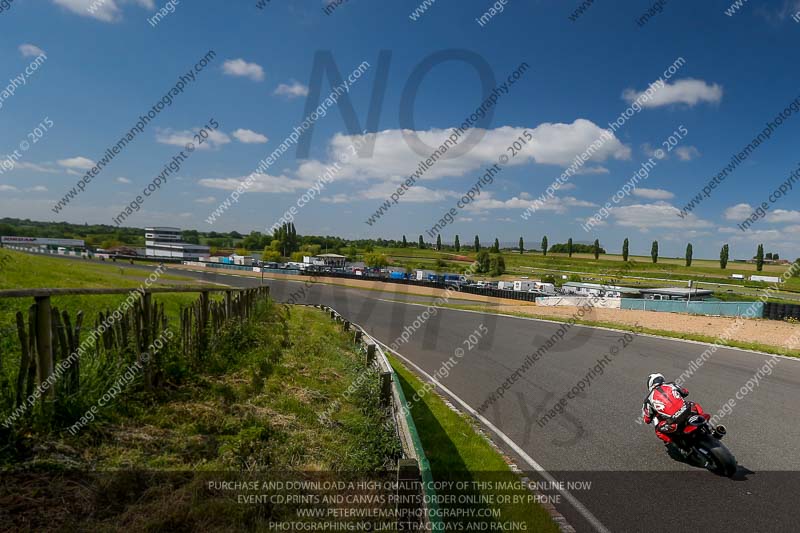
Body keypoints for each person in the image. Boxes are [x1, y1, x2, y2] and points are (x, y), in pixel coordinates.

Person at [642, 373, 707, 459]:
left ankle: (682, 447)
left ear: (650, 384)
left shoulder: (648, 400)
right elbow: (685, 392)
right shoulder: (671, 385)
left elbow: (647, 419)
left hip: (674, 422)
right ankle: (708, 426)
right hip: (688, 411)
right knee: (694, 404)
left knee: (658, 431)